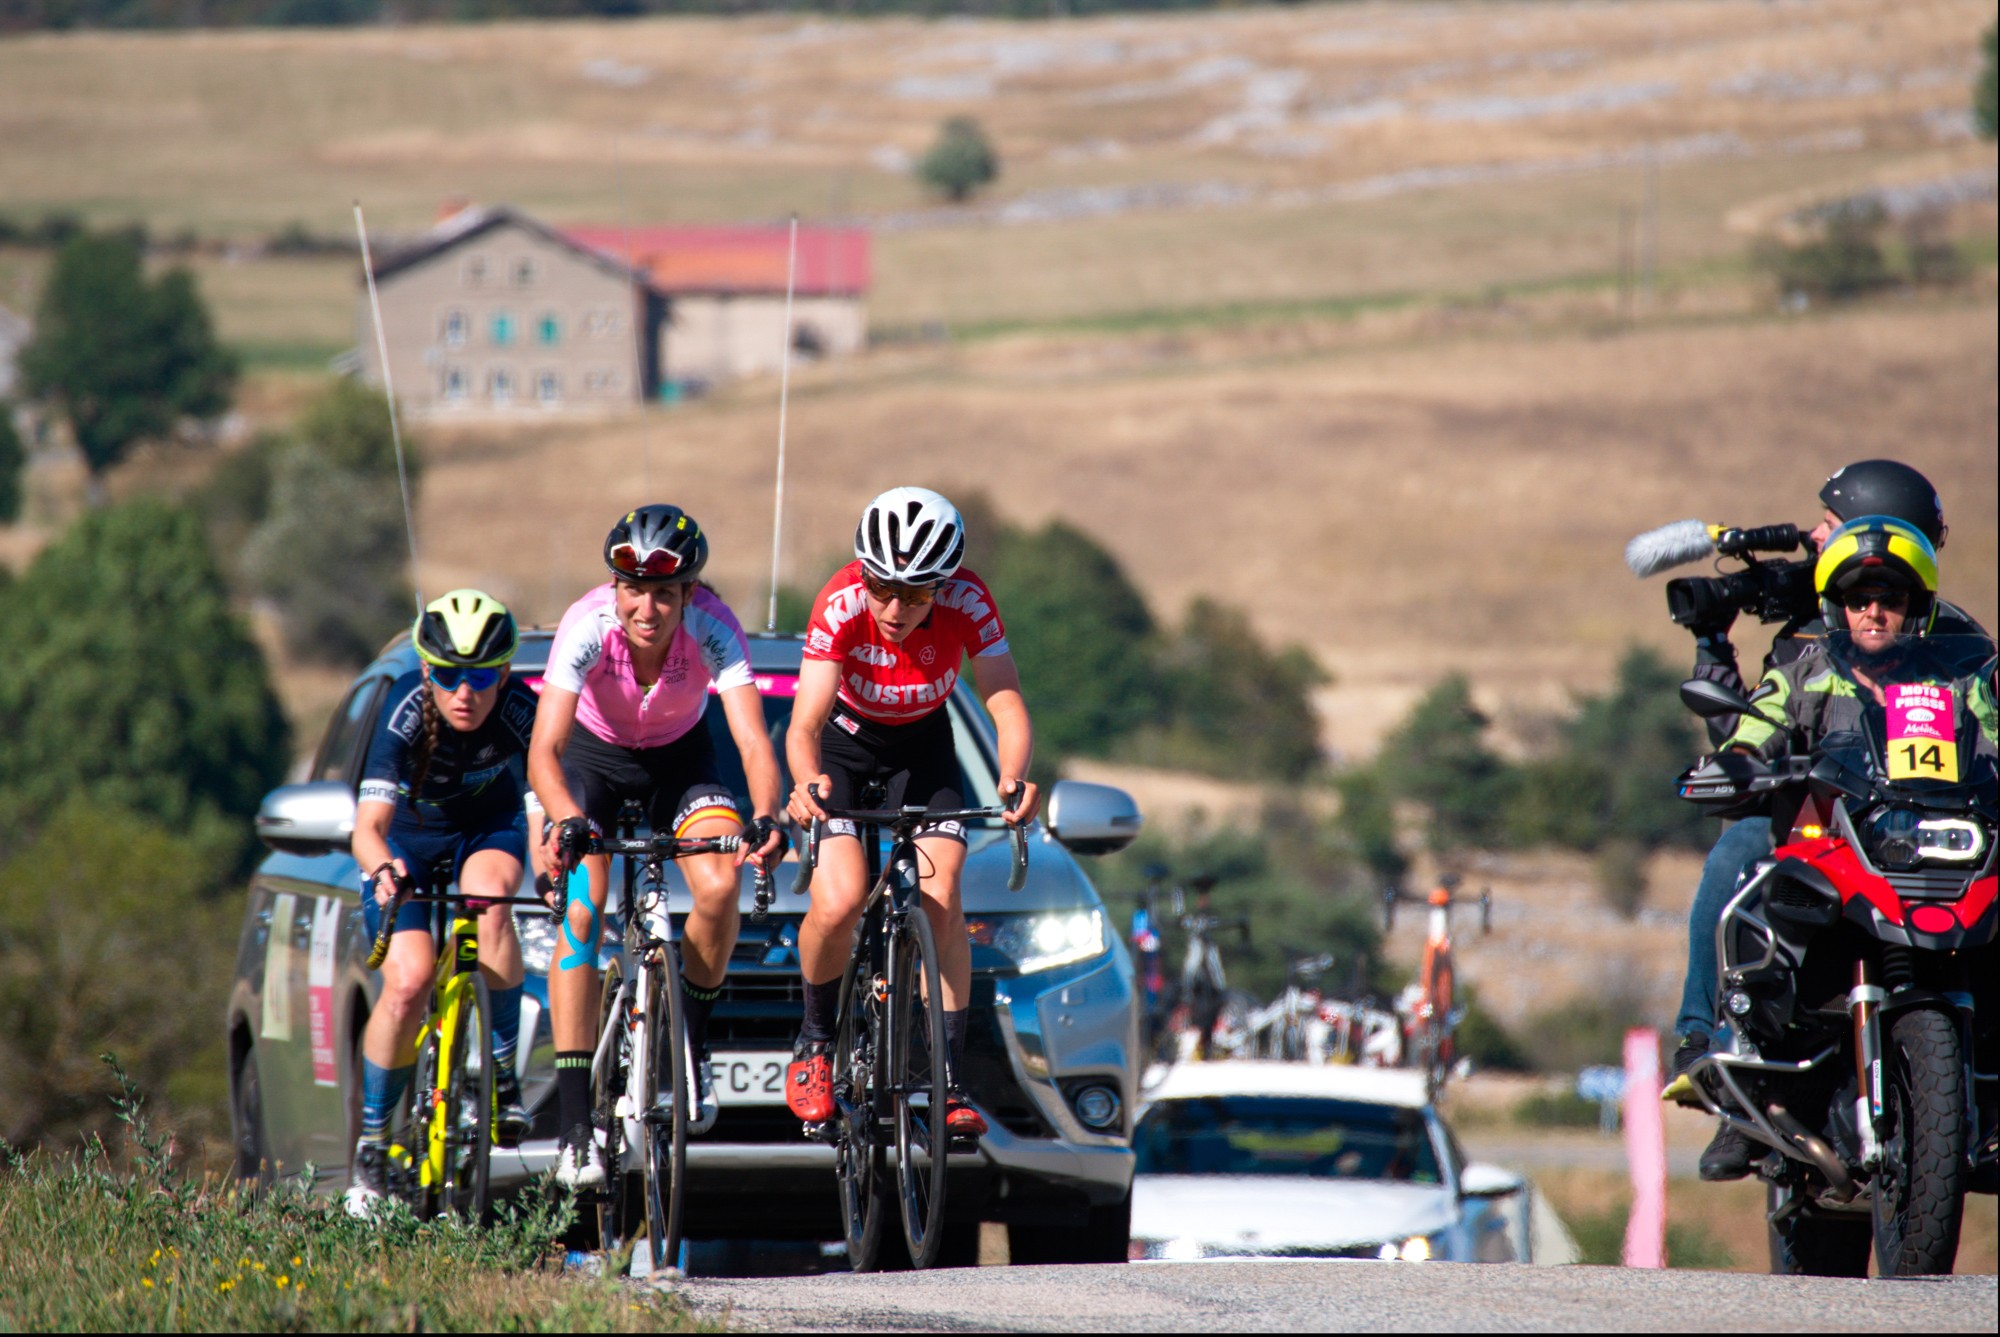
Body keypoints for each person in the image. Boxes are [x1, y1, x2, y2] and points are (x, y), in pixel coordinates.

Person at [1675, 516, 1998, 1180]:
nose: (1875, 611)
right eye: (1859, 598)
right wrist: (1736, 760)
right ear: (1837, 605)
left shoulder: (1958, 678)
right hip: (1842, 848)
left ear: (1917, 606)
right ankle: (1743, 1082)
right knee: (1748, 886)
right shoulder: (1811, 666)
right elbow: (1760, 722)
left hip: (1940, 854)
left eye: (1891, 598)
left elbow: (1991, 733)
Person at [528, 505, 784, 1188]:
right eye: (634, 589)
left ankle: (687, 1045)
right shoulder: (587, 625)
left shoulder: (715, 628)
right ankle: (577, 1124)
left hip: (681, 761)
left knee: (720, 885)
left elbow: (754, 741)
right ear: (614, 587)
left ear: (688, 594)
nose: (648, 607)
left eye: (665, 593)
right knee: (583, 910)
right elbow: (546, 750)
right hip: (594, 762)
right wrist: (565, 817)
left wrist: (766, 814)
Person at [782, 487, 1039, 1138]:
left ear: (943, 587)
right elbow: (804, 721)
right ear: (862, 573)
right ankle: (814, 1041)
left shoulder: (969, 601)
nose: (895, 608)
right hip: (843, 745)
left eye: (917, 594)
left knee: (942, 897)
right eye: (883, 587)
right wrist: (808, 780)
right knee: (839, 900)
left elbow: (1005, 703)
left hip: (922, 751)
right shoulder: (841, 601)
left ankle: (946, 1079)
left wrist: (1013, 777)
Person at [346, 590, 537, 1218]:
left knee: (490, 902)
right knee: (409, 982)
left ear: (504, 673)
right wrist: (382, 870)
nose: (466, 692)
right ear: (427, 670)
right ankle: (375, 1140)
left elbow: (543, 801)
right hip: (406, 843)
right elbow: (367, 827)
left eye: (482, 676)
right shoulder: (401, 713)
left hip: (486, 830)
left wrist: (555, 857)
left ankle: (501, 1072)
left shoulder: (518, 710)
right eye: (450, 676)